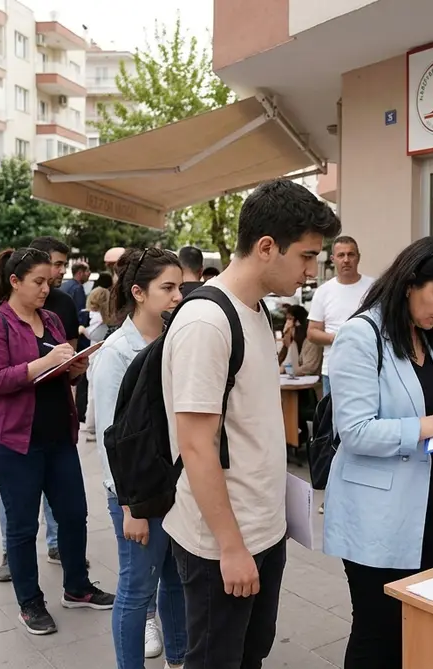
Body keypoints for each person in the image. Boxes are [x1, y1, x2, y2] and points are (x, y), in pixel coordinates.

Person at [162, 180, 341, 667]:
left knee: (250, 655)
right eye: (306, 257)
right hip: (221, 541)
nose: (310, 272)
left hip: (262, 532)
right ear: (267, 247)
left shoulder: (256, 310)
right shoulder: (207, 322)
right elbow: (196, 445)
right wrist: (231, 547)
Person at [324, 236, 433, 669]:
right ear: (411, 281)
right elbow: (354, 431)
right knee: (377, 631)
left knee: (410, 626)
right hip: (377, 514)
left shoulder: (425, 335)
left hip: (424, 510)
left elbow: (427, 404)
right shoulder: (361, 335)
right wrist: (432, 425)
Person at [0, 248, 115, 635]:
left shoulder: (50, 318)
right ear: (15, 282)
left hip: (57, 436)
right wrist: (45, 362)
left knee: (73, 515)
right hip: (12, 441)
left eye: (48, 282)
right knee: (22, 526)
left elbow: (58, 371)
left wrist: (75, 369)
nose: (45, 288)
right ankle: (30, 603)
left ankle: (77, 588)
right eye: (37, 282)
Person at [91, 248, 188, 668]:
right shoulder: (116, 353)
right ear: (139, 292)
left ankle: (179, 657)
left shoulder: (174, 339)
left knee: (176, 582)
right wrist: (129, 507)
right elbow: (113, 440)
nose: (177, 296)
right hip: (137, 495)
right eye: (167, 288)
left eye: (179, 287)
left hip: (175, 484)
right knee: (137, 589)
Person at [308, 236, 373, 396]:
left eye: (351, 254)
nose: (346, 260)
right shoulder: (323, 291)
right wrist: (339, 338)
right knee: (332, 421)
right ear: (333, 259)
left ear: (358, 257)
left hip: (368, 369)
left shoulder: (374, 288)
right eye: (341, 255)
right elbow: (312, 332)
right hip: (333, 371)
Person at [79, 287, 113, 443]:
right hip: (104, 353)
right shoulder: (109, 318)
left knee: (92, 390)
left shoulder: (89, 315)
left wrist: (82, 330)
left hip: (92, 355)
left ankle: (91, 424)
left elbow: (91, 334)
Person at [277, 304, 322, 377]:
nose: (287, 324)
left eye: (290, 319)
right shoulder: (295, 343)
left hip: (314, 385)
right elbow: (284, 361)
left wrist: (288, 371)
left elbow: (309, 368)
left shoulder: (311, 342)